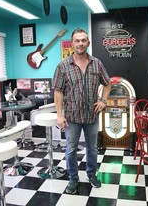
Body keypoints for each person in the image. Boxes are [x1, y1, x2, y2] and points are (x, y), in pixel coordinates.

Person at [52, 28, 111, 194]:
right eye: (77, 41)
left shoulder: (97, 64)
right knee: (71, 149)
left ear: (88, 43)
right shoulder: (63, 66)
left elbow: (108, 84)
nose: (80, 43)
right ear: (72, 43)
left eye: (83, 40)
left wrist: (103, 101)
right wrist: (59, 115)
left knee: (92, 148)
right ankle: (73, 178)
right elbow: (58, 92)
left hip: (92, 116)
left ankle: (91, 174)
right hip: (71, 117)